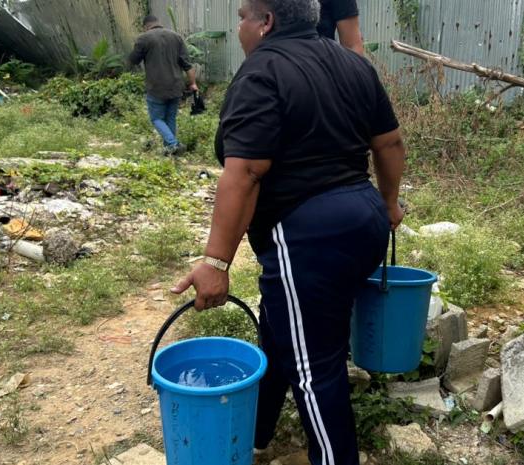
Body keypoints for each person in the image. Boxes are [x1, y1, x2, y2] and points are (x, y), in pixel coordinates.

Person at [170, 1, 406, 464]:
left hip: (308, 234)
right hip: (365, 217)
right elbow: (390, 143)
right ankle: (255, 430)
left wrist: (215, 263)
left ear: (266, 22)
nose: (239, 27)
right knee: (284, 327)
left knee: (315, 367)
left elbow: (245, 174)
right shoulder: (353, 64)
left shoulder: (262, 73)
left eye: (241, 16)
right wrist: (390, 202)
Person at [129, 15, 198, 154]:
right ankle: (170, 149)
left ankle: (173, 144)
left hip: (156, 87)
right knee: (170, 117)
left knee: (156, 118)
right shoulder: (176, 37)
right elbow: (187, 65)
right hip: (176, 86)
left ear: (146, 26)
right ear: (158, 23)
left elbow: (132, 60)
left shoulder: (144, 38)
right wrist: (193, 84)